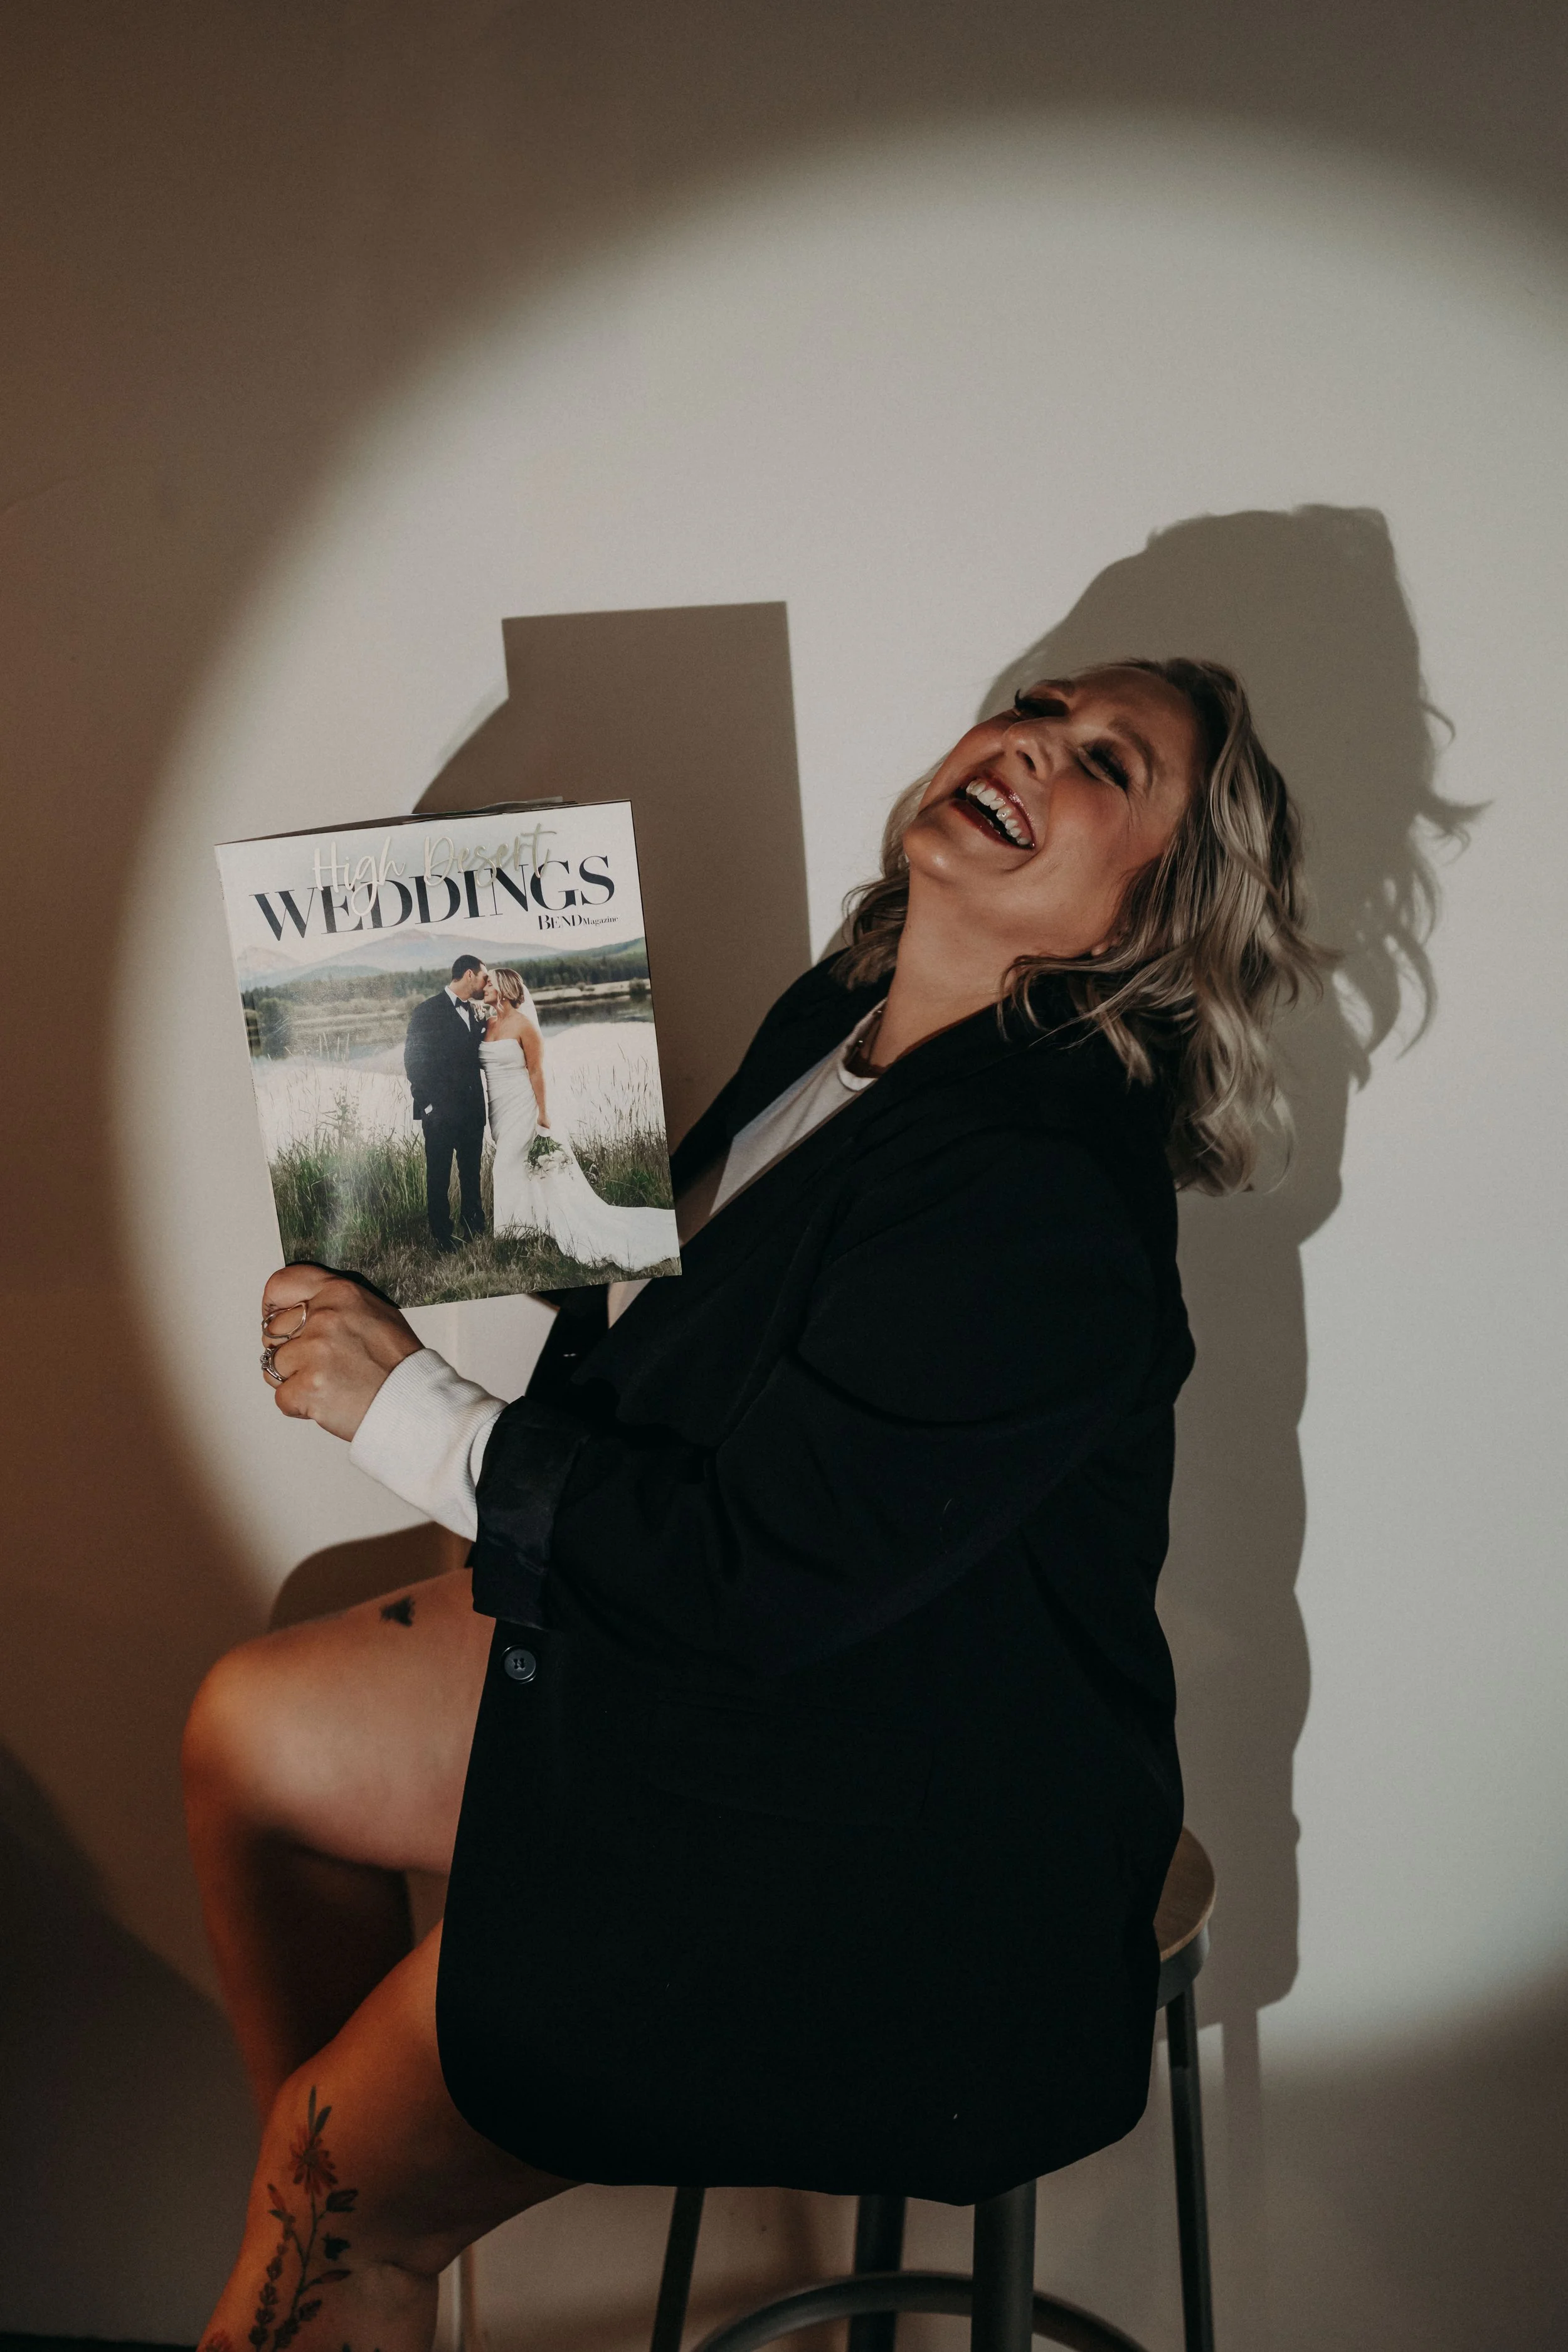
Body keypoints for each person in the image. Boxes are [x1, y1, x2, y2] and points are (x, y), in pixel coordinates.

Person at [186, 660, 1321, 2352]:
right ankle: (360, 2220)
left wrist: (411, 1410)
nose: (1027, 740)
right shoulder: (847, 1017)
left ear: (1150, 913)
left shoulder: (1042, 1193)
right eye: (1036, 703)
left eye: (1105, 762)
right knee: (248, 1741)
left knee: (332, 2167)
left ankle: (352, 2213)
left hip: (879, 1835)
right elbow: (674, 1352)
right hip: (750, 1690)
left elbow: (752, 1574)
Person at [479, 965, 679, 1272]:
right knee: (515, 1167)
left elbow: (536, 1071)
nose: (485, 986)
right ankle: (528, 1228)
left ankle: (513, 1232)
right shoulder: (489, 1024)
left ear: (505, 989)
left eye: (490, 982)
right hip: (499, 1107)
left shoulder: (524, 1026)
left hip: (523, 1105)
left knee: (505, 1164)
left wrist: (544, 1115)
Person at [404, 953, 490, 1251]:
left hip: (472, 1113)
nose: (485, 982)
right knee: (438, 1178)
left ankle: (474, 1227)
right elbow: (414, 1063)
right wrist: (428, 1106)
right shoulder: (426, 1011)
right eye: (483, 976)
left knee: (471, 1174)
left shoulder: (477, 1012)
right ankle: (442, 1237)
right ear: (469, 975)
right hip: (440, 1115)